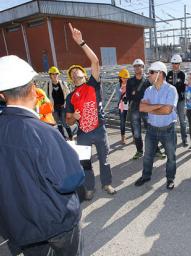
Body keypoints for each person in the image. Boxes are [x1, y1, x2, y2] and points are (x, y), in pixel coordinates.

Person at [0, 55, 84, 255]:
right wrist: (68, 153)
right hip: (55, 220)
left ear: (2, 95)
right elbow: (71, 179)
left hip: (19, 224)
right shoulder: (43, 132)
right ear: (33, 89)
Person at [65, 23, 116, 200]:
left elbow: (95, 61)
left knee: (105, 159)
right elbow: (68, 121)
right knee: (85, 162)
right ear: (71, 79)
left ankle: (107, 183)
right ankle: (89, 188)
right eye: (72, 73)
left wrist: (81, 42)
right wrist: (73, 117)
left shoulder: (92, 85)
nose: (75, 73)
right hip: (83, 133)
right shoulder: (70, 96)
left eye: (78, 70)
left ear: (84, 74)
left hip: (99, 129)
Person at [134, 61, 178, 190]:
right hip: (152, 129)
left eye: (151, 72)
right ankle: (146, 176)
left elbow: (167, 111)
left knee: (171, 156)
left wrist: (151, 109)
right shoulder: (149, 90)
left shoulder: (171, 90)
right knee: (148, 155)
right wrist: (159, 106)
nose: (148, 75)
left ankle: (170, 178)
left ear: (160, 73)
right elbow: (142, 107)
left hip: (168, 130)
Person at [126, 58, 165, 160]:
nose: (137, 68)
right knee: (137, 132)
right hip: (135, 109)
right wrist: (134, 95)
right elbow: (128, 96)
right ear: (134, 68)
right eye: (135, 66)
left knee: (151, 130)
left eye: (139, 66)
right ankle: (139, 151)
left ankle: (156, 150)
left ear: (143, 68)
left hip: (146, 109)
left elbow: (153, 95)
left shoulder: (148, 81)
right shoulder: (130, 81)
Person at [43, 66, 73, 140]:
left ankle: (71, 137)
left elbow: (68, 94)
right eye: (53, 74)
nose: (55, 75)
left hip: (63, 107)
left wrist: (67, 104)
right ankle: (63, 138)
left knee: (65, 123)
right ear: (50, 75)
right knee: (59, 123)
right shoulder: (47, 85)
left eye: (56, 74)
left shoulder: (63, 83)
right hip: (54, 108)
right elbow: (44, 96)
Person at [166, 54, 188, 147]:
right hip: (171, 101)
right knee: (171, 120)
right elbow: (167, 86)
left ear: (179, 64)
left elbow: (182, 87)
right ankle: (171, 139)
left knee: (182, 121)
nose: (175, 65)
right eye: (173, 63)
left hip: (180, 101)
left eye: (177, 63)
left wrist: (177, 88)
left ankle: (184, 139)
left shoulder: (182, 74)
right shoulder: (169, 74)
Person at [117, 68, 130, 144]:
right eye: (124, 78)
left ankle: (135, 137)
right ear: (120, 78)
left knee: (132, 122)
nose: (125, 79)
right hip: (122, 106)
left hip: (130, 105)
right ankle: (123, 137)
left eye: (126, 78)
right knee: (122, 122)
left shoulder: (130, 84)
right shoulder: (118, 86)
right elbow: (117, 96)